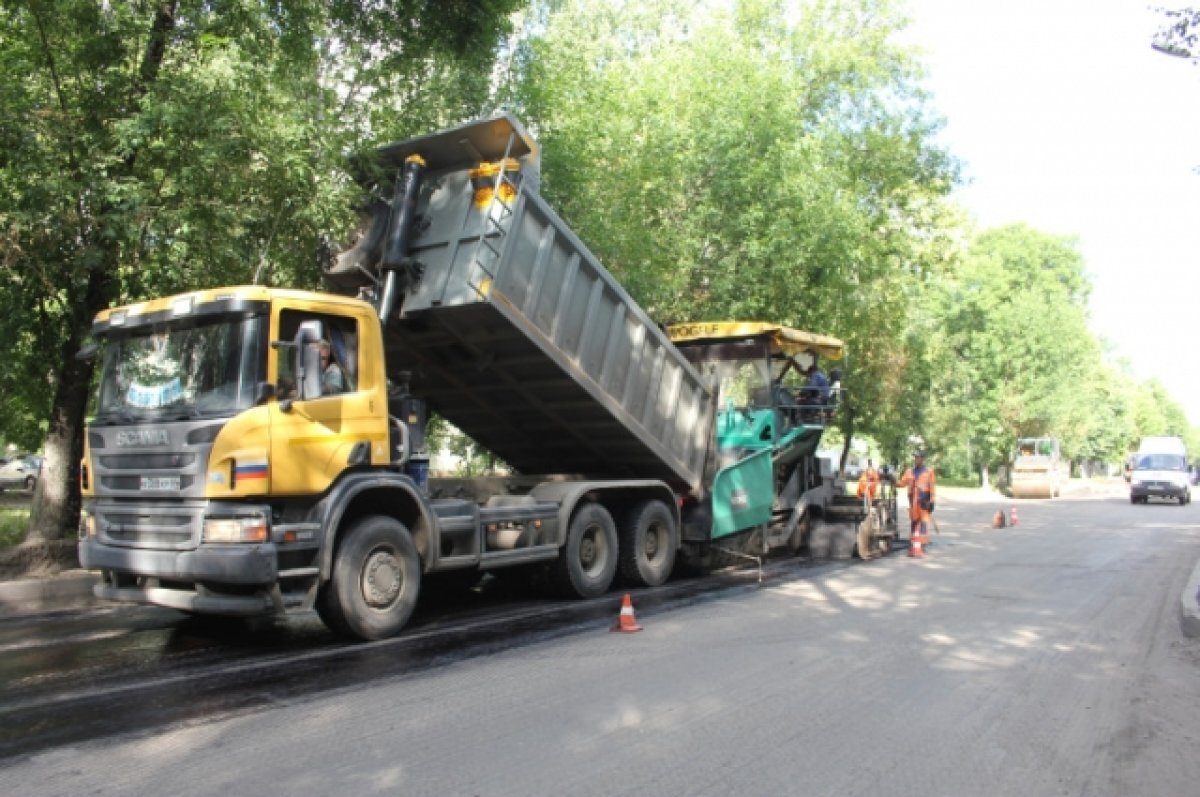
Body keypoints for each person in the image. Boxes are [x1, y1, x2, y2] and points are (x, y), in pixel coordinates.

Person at [897, 449, 936, 549]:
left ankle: (922, 544)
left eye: (918, 457)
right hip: (912, 501)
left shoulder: (929, 472)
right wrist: (893, 480)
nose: (916, 459)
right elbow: (901, 483)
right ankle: (914, 542)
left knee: (923, 521)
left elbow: (932, 487)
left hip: (924, 501)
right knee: (914, 521)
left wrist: (932, 501)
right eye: (915, 457)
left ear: (923, 459)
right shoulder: (909, 472)